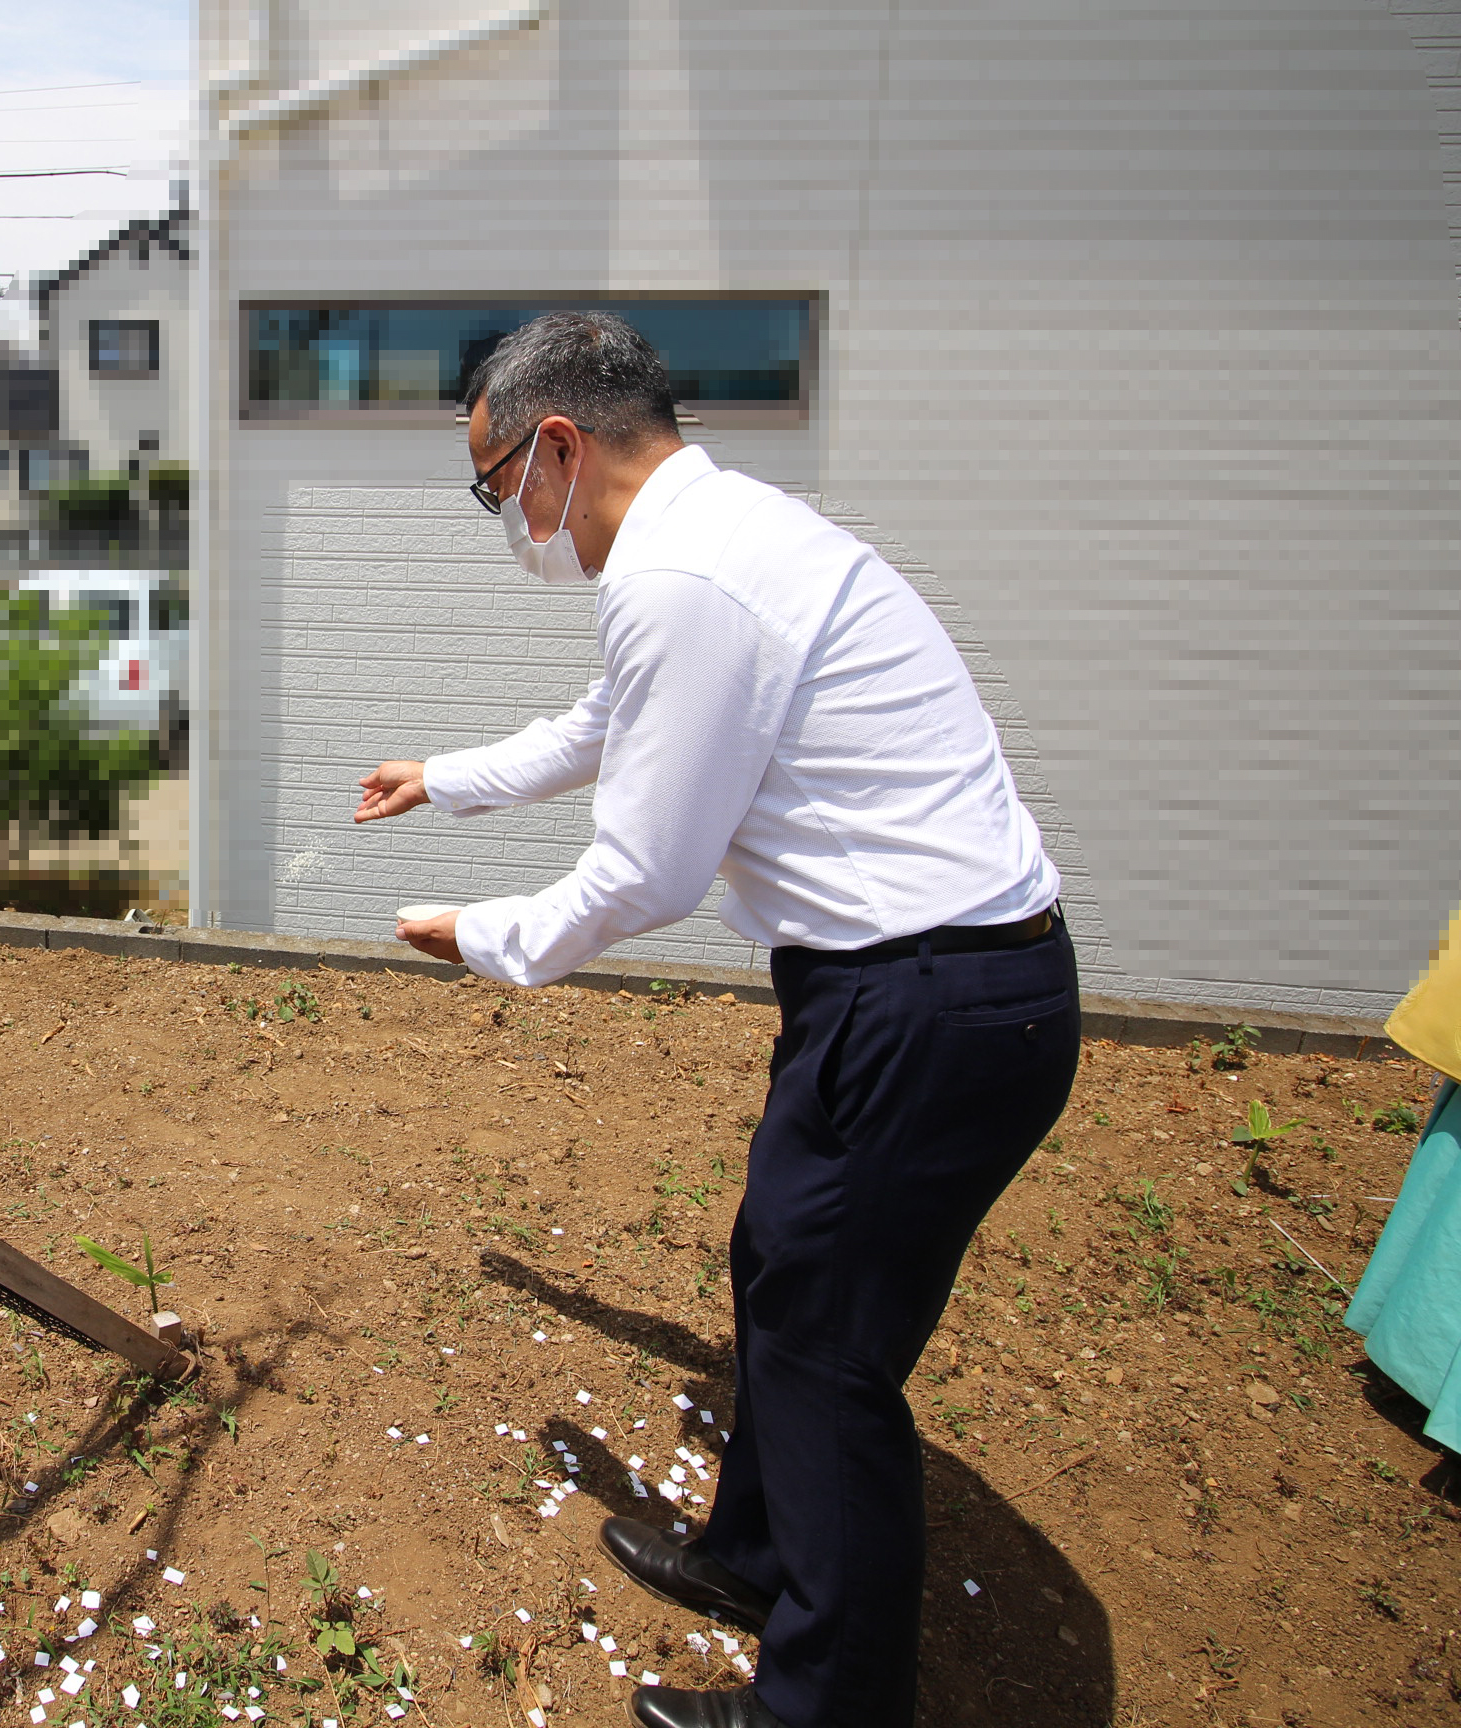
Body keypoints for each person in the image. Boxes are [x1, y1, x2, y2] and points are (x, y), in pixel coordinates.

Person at [353, 312, 1081, 1728]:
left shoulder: (683, 576)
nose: (505, 518)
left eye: (495, 484)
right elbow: (599, 726)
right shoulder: (721, 536)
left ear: (557, 445)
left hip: (925, 1002)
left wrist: (481, 937)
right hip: (928, 994)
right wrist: (438, 776)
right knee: (783, 1275)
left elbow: (645, 875)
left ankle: (829, 1705)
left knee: (825, 1353)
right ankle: (752, 1553)